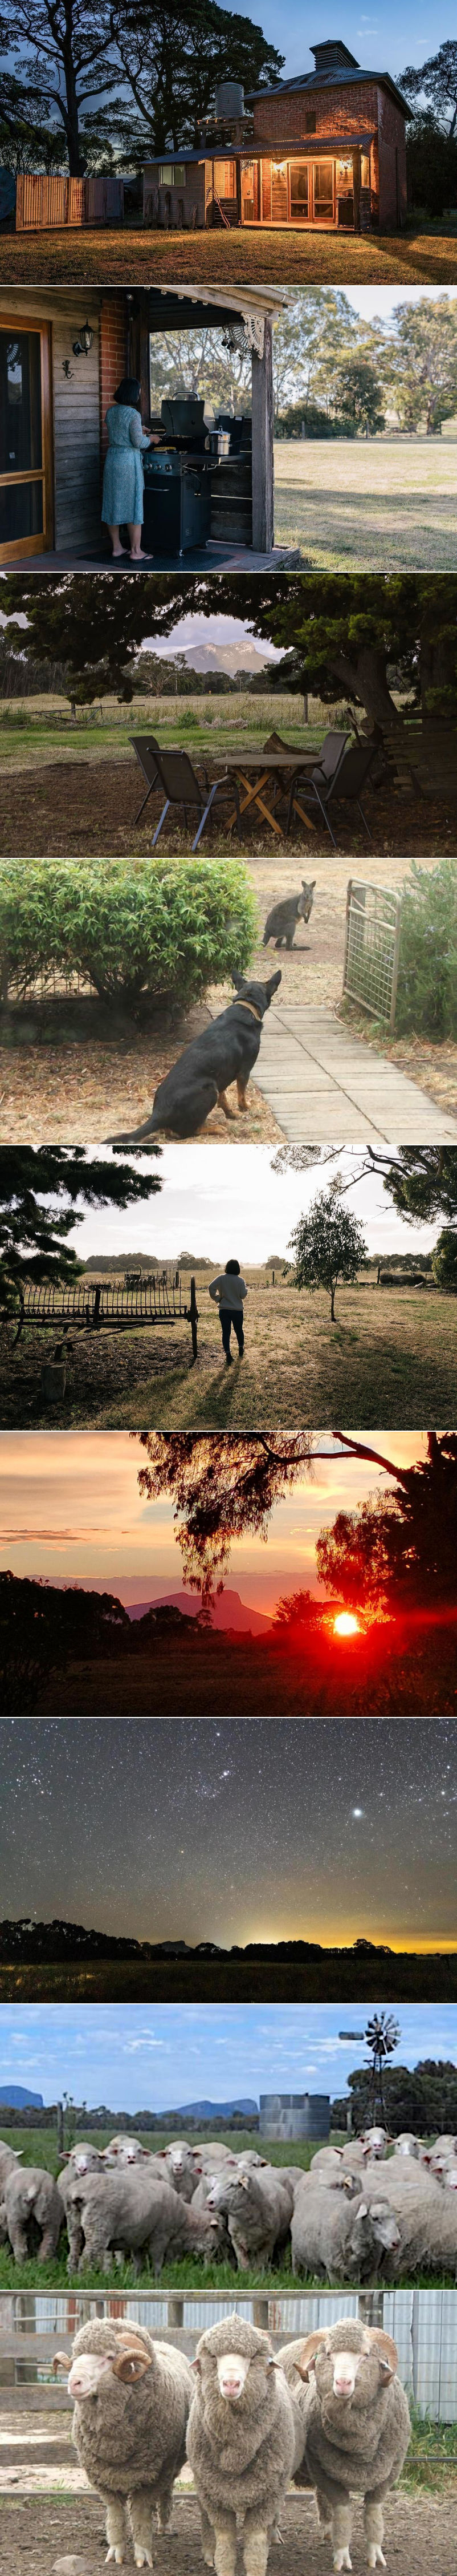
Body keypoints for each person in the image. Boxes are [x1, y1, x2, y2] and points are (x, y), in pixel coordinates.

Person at [101, 376, 160, 562]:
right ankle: (136, 551)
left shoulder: (111, 412)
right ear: (134, 393)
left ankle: (117, 548)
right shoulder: (133, 414)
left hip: (112, 460)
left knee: (113, 502)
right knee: (134, 505)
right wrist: (152, 439)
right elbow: (138, 442)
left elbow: (119, 430)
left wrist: (138, 428)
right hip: (128, 463)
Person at [209, 1258, 248, 1364]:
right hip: (237, 1310)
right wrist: (246, 1290)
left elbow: (211, 1287)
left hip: (224, 1309)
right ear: (238, 1269)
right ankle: (241, 1348)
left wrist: (217, 1298)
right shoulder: (241, 1280)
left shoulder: (221, 1278)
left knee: (226, 1333)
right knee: (239, 1330)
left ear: (227, 1267)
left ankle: (228, 1355)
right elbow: (242, 1296)